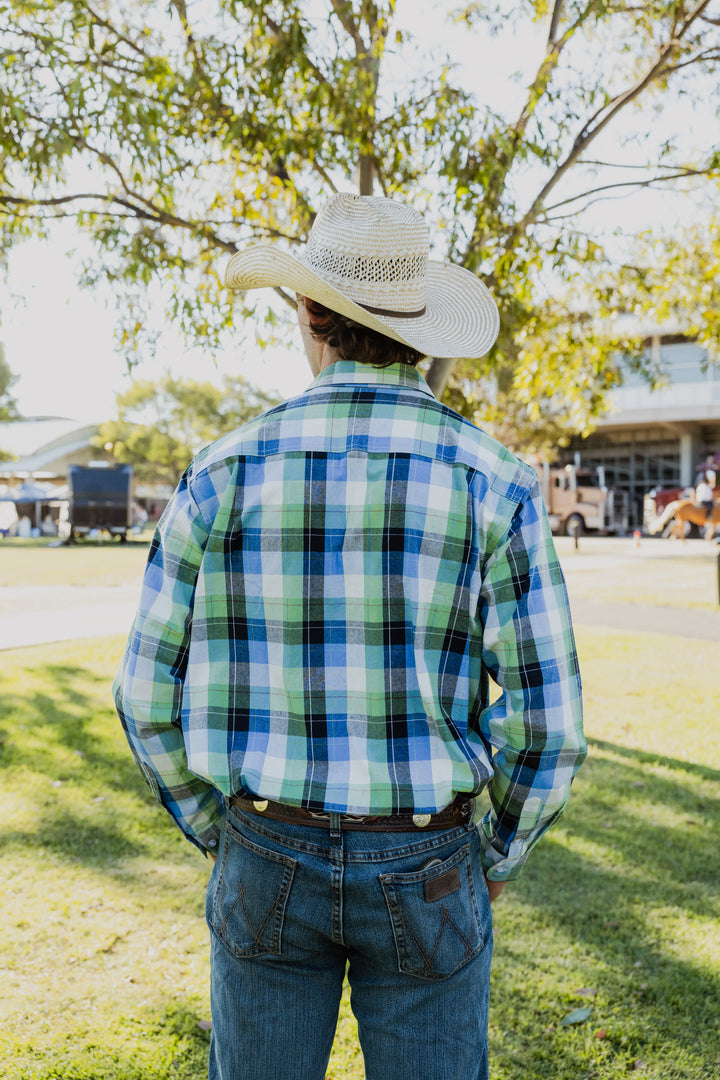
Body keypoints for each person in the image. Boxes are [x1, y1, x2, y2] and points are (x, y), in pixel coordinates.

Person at [114, 193, 586, 1080]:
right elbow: (549, 724)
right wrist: (497, 855)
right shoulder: (496, 482)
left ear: (308, 310)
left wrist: (218, 829)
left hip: (263, 841)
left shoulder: (221, 472)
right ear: (418, 328)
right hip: (430, 854)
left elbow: (145, 697)